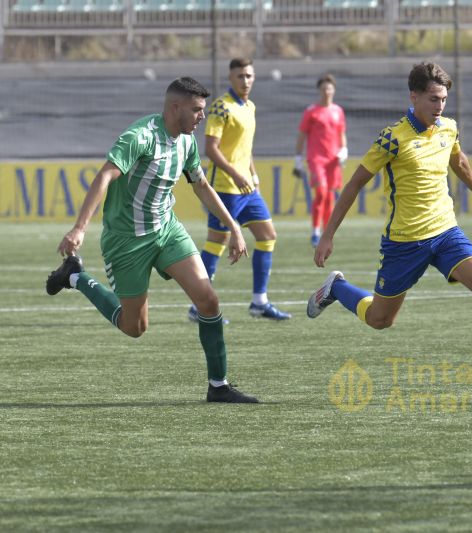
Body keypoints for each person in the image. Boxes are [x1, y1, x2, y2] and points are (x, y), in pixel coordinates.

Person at [307, 62, 472, 388]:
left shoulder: (448, 127)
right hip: (404, 242)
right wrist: (327, 236)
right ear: (413, 96)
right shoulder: (391, 138)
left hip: (446, 232)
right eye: (433, 99)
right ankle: (337, 288)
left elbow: (457, 157)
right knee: (380, 320)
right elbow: (354, 184)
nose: (439, 107)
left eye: (443, 99)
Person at [46, 77, 259, 404]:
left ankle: (218, 386)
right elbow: (104, 175)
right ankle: (75, 276)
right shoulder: (140, 137)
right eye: (197, 110)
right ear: (176, 108)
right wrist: (79, 228)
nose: (202, 116)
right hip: (127, 241)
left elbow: (200, 185)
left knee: (209, 300)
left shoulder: (186, 140)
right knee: (134, 327)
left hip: (167, 230)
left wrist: (233, 227)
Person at [188, 58, 291, 322]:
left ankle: (259, 302)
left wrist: (253, 174)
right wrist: (235, 173)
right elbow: (211, 148)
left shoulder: (250, 106)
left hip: (247, 189)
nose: (245, 81)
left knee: (268, 236)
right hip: (225, 189)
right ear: (230, 78)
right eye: (240, 76)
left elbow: (245, 148)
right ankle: (198, 306)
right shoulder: (222, 107)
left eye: (249, 76)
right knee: (216, 244)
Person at [293, 73, 348, 247]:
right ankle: (315, 231)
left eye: (329, 88)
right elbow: (302, 135)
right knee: (321, 193)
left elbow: (341, 134)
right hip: (316, 159)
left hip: (333, 159)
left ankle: (326, 232)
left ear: (334, 91)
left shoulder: (338, 111)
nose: (327, 91)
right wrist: (298, 158)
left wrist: (344, 149)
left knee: (330, 196)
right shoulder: (311, 111)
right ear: (319, 90)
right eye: (324, 88)